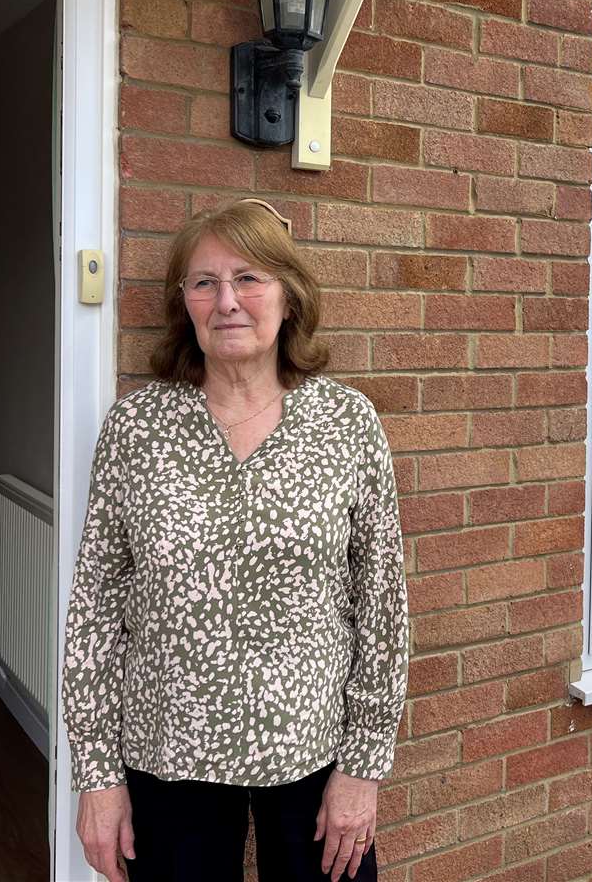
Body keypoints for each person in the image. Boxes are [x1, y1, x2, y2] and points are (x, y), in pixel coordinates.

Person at [61, 198, 409, 882]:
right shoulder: (137, 428)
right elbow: (94, 611)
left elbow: (383, 606)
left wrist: (364, 767)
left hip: (313, 750)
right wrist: (97, 775)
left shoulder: (346, 422)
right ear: (183, 303)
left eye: (249, 278)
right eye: (204, 282)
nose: (228, 301)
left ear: (289, 295)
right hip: (167, 749)